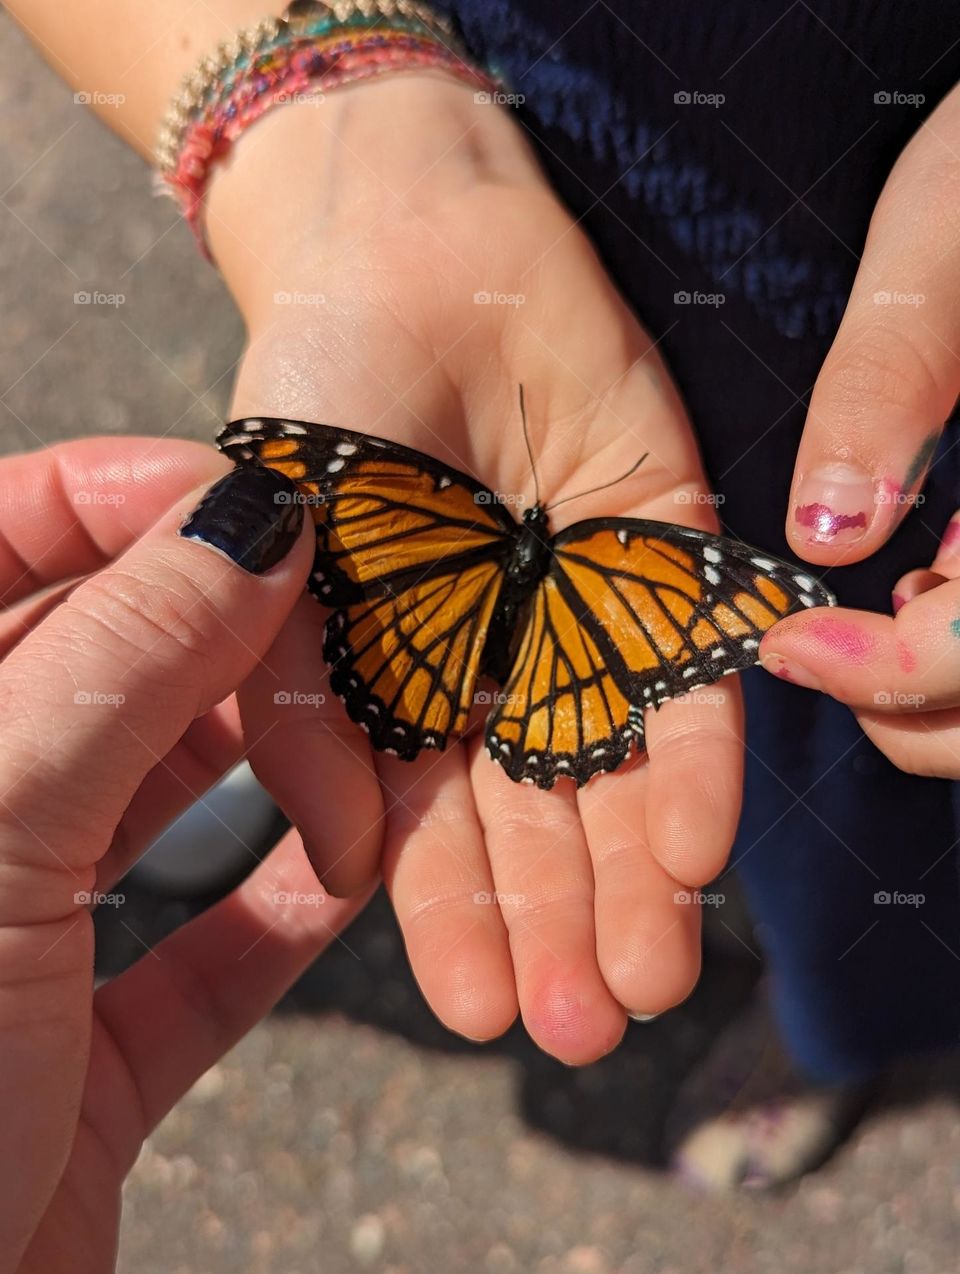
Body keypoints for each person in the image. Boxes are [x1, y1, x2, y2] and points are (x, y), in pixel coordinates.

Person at [2, 3, 959, 1258]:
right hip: (525, 126)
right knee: (753, 783)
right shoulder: (621, 555)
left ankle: (830, 1020)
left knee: (841, 796)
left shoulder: (462, 514)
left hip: (830, 291)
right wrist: (348, 160)